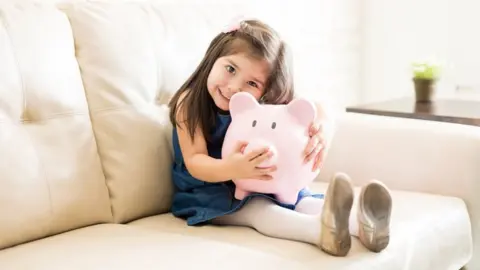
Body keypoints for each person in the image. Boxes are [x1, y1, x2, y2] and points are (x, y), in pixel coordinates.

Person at [167, 17, 392, 257]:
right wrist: (232, 168)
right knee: (260, 211)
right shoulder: (189, 104)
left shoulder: (261, 105)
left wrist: (323, 129)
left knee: (302, 201)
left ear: (266, 90)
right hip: (208, 192)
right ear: (213, 58)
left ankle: (364, 225)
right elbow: (195, 162)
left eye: (251, 83)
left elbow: (319, 107)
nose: (234, 87)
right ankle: (320, 232)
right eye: (230, 69)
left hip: (259, 182)